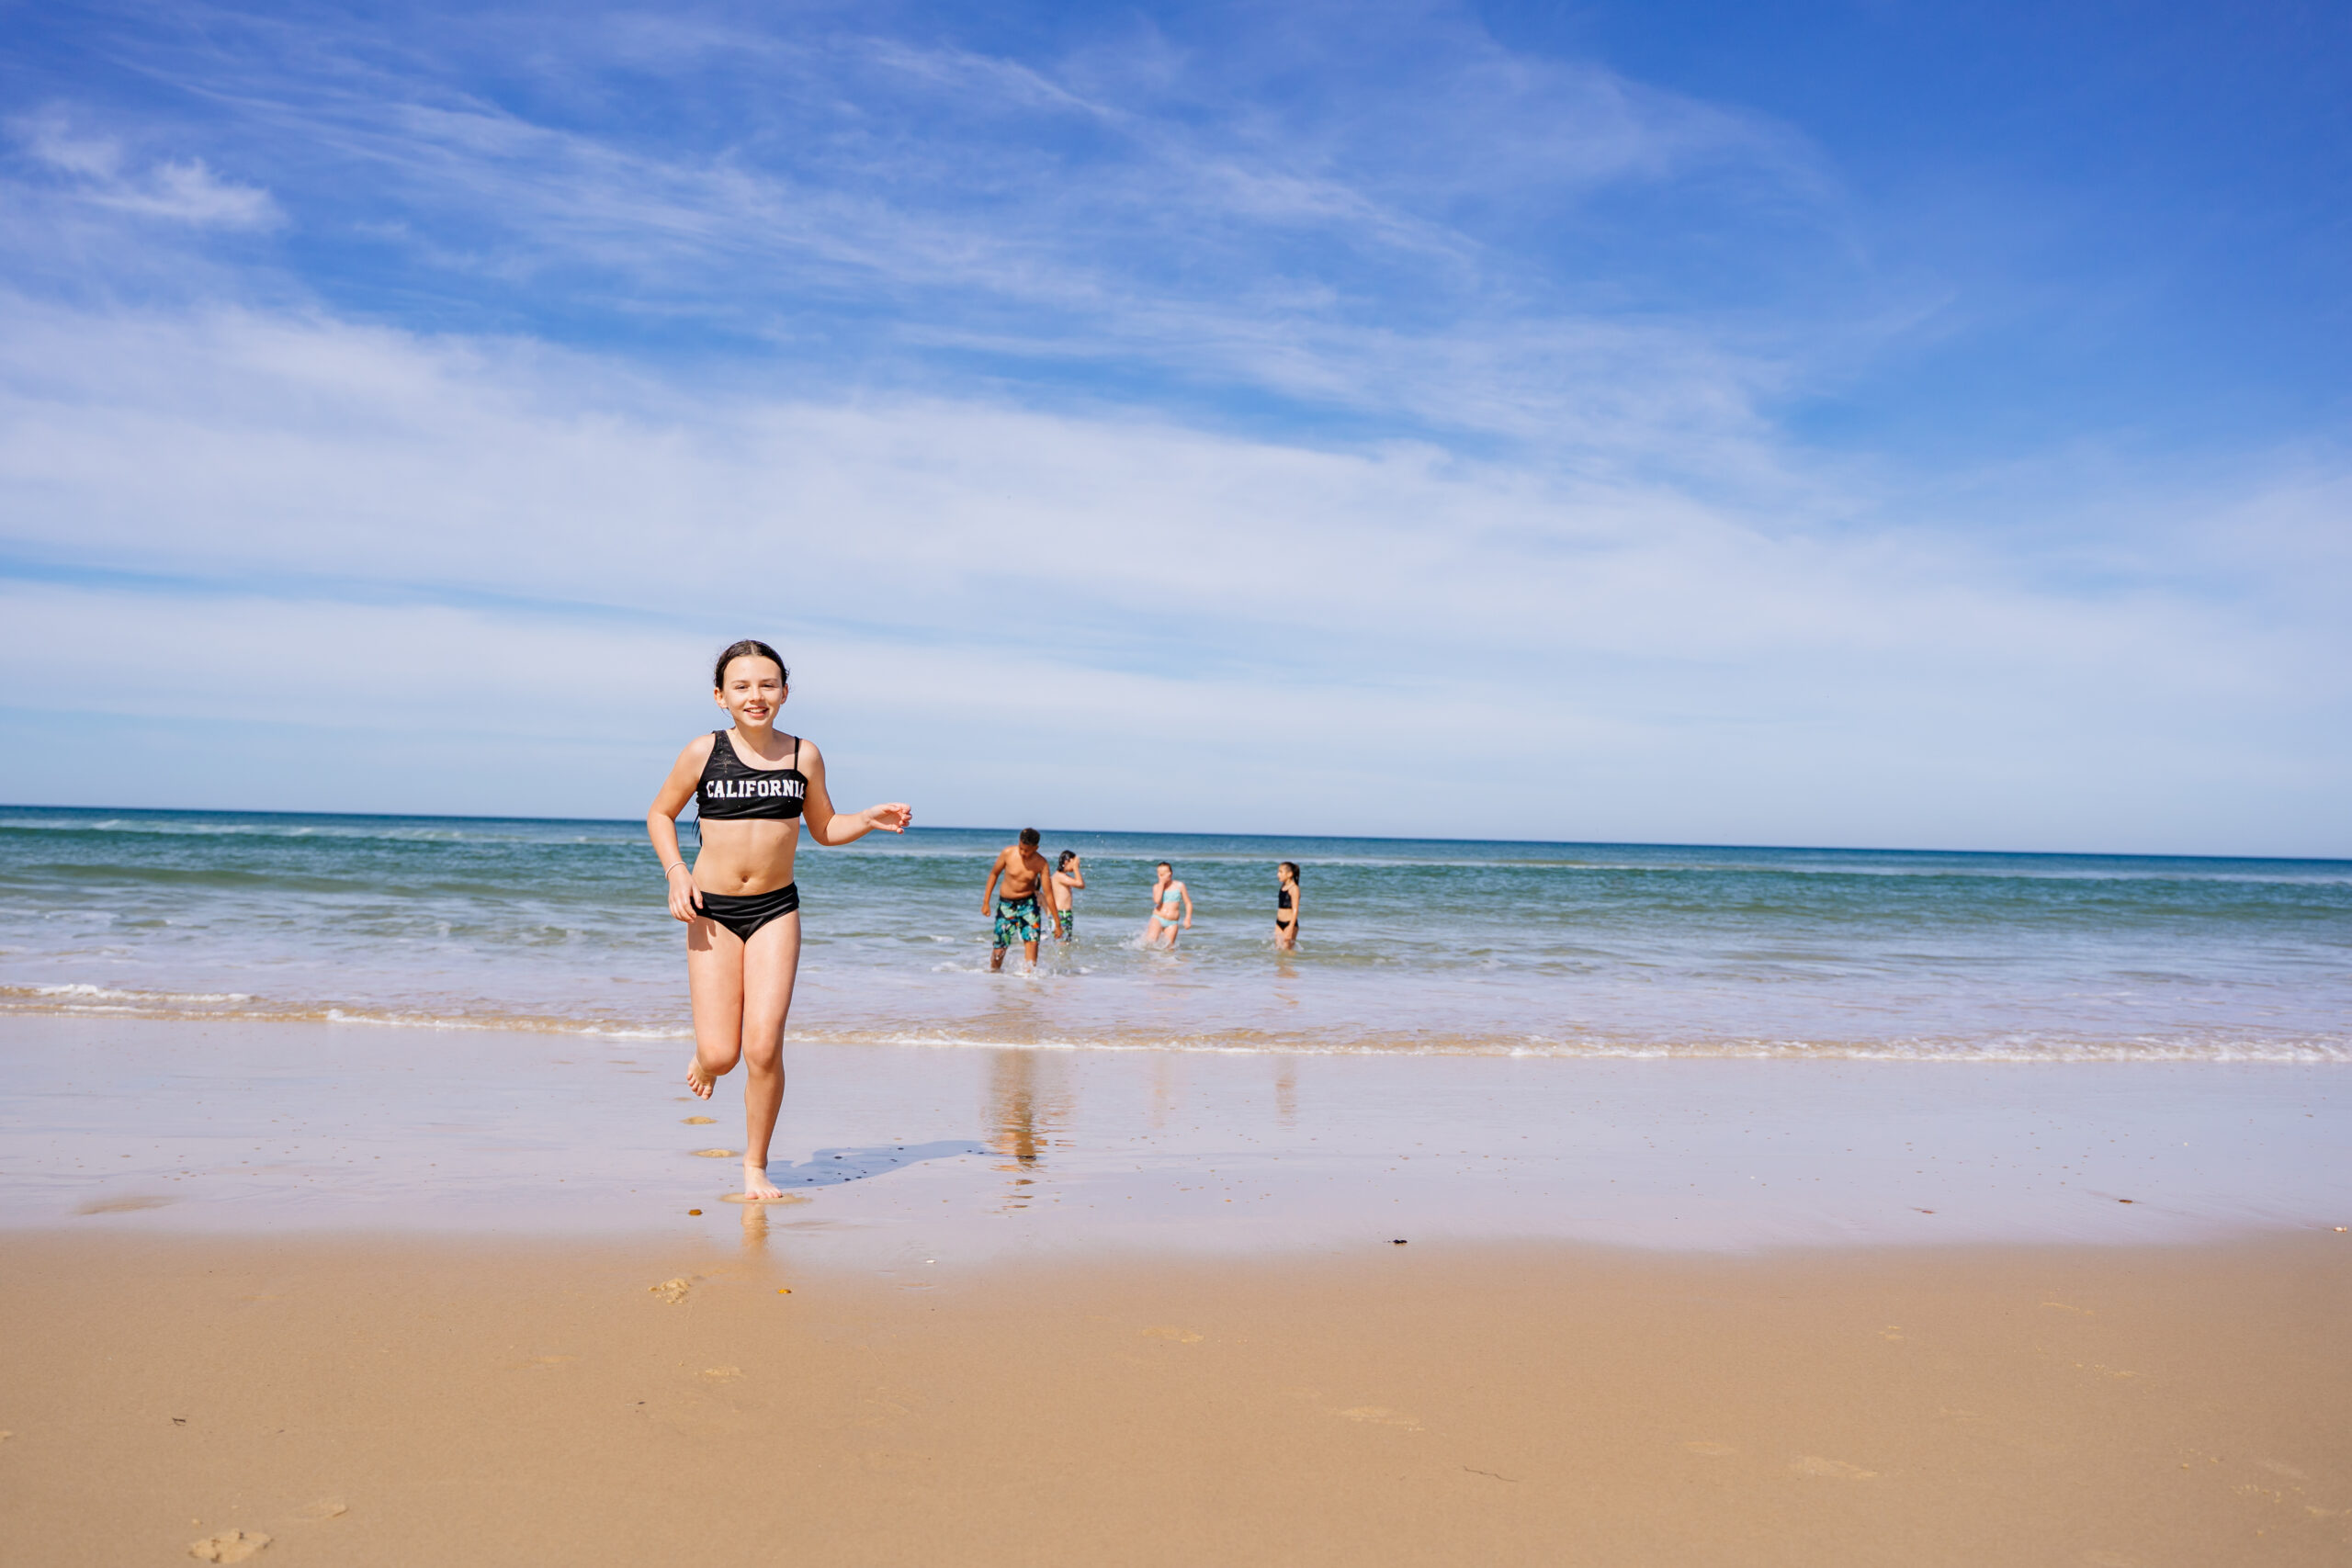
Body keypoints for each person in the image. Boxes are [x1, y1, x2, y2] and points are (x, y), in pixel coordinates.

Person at [647, 639, 911, 1201]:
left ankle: (754, 1165)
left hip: (775, 909)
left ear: (785, 692)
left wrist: (865, 818)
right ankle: (705, 1057)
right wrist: (676, 872)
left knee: (763, 1048)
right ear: (720, 697)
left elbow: (824, 828)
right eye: (741, 686)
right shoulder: (703, 753)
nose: (755, 695)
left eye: (767, 684)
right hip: (711, 910)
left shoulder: (803, 756)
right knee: (722, 1054)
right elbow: (660, 812)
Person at [983, 828, 1052, 971]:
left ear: (1036, 848)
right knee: (998, 952)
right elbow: (994, 874)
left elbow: (1048, 893)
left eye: (1027, 850)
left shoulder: (1041, 863)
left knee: (1032, 945)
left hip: (1029, 905)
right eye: (1021, 848)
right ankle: (994, 977)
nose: (1023, 853)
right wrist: (986, 902)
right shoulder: (1008, 853)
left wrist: (1057, 921)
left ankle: (1030, 985)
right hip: (1006, 905)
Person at [1144, 860, 1192, 948]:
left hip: (1172, 922)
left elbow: (1188, 903)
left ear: (1171, 873)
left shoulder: (1179, 886)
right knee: (1150, 942)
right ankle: (1149, 961)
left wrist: (1187, 918)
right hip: (1158, 917)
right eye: (1160, 874)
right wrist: (1162, 883)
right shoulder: (1156, 887)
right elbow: (1157, 901)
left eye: (1164, 874)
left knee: (1169, 948)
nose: (1162, 876)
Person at [1049, 850, 1084, 942]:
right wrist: (1075, 868)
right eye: (1076, 863)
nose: (1078, 866)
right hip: (1061, 914)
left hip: (1065, 914)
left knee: (1065, 944)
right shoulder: (1059, 876)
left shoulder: (1063, 876)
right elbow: (1080, 884)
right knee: (1061, 943)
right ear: (1066, 862)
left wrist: (1074, 864)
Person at [1274, 861, 1302, 951]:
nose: (1278, 874)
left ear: (1290, 874)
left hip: (1290, 924)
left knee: (1287, 951)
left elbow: (1295, 910)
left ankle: (1291, 964)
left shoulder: (1294, 889)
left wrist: (1290, 928)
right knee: (1279, 950)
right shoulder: (1283, 885)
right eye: (1278, 871)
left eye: (1281, 872)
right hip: (1279, 923)